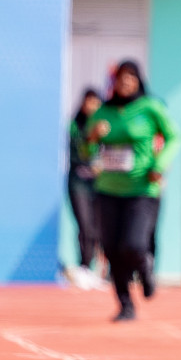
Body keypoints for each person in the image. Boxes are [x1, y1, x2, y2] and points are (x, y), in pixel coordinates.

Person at [87, 60, 179, 321]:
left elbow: (174, 137)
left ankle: (146, 269)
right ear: (113, 83)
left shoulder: (150, 108)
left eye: (131, 78)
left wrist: (160, 165)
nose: (125, 83)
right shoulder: (102, 112)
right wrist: (93, 138)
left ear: (138, 81)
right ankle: (126, 305)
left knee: (134, 245)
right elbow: (85, 150)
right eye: (120, 79)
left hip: (142, 189)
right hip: (108, 190)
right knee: (112, 249)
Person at [67, 89, 104, 286]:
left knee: (97, 228)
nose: (92, 106)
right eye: (89, 102)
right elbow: (78, 151)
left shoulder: (104, 127)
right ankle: (83, 267)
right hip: (78, 184)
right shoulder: (75, 126)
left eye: (96, 102)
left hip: (97, 185)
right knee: (85, 225)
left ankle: (94, 269)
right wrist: (90, 164)